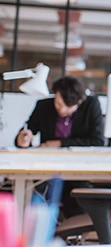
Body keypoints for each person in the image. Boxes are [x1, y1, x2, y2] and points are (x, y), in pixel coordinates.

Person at [15, 75, 106, 218]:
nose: (61, 109)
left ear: (79, 101)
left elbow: (98, 141)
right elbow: (26, 133)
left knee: (78, 195)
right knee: (37, 191)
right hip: (46, 167)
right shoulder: (43, 106)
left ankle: (74, 231)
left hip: (78, 167)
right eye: (58, 104)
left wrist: (59, 143)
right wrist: (23, 140)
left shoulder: (91, 105)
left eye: (68, 106)